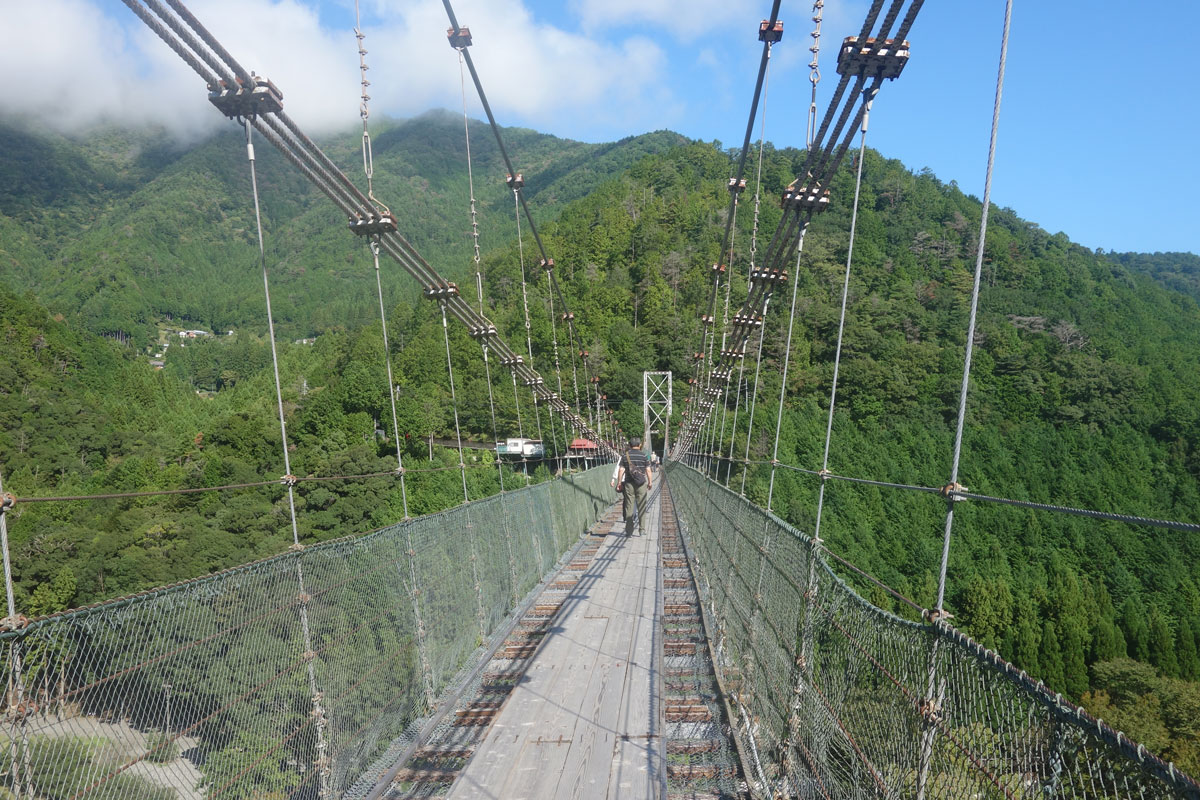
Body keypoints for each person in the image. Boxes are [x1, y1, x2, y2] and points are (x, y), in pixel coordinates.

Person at [615, 437, 652, 536]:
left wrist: (619, 482)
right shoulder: (644, 455)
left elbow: (621, 470)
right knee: (641, 506)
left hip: (629, 484)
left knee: (629, 506)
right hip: (641, 484)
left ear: (630, 446)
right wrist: (650, 482)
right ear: (640, 445)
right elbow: (648, 470)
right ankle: (642, 529)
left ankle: (629, 531)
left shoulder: (624, 456)